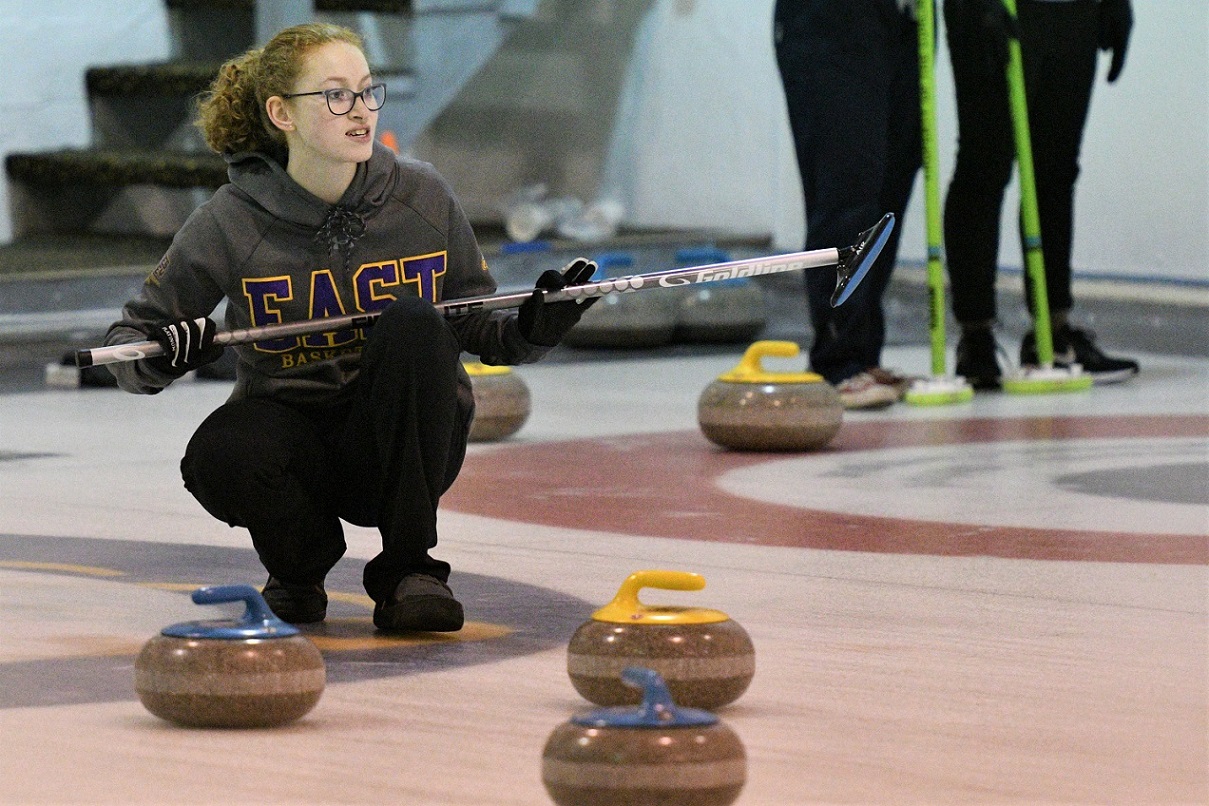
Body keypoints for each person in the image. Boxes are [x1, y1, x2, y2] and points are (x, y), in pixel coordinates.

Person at [103, 23, 597, 631]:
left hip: (404, 443)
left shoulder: (422, 196)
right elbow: (126, 347)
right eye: (337, 96)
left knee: (416, 324)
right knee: (219, 453)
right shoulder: (228, 221)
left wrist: (538, 326)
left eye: (368, 91)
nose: (361, 112)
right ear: (281, 113)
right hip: (297, 445)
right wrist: (163, 356)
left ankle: (410, 570)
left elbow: (477, 324)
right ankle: (298, 569)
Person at [943, 0, 1139, 388]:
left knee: (1056, 169)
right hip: (997, 9)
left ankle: (1052, 331)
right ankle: (976, 334)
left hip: (1071, 11)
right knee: (986, 163)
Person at [774, 0, 922, 409]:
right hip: (832, 20)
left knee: (890, 185)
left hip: (903, 20)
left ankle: (863, 351)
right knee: (846, 183)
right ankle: (837, 357)